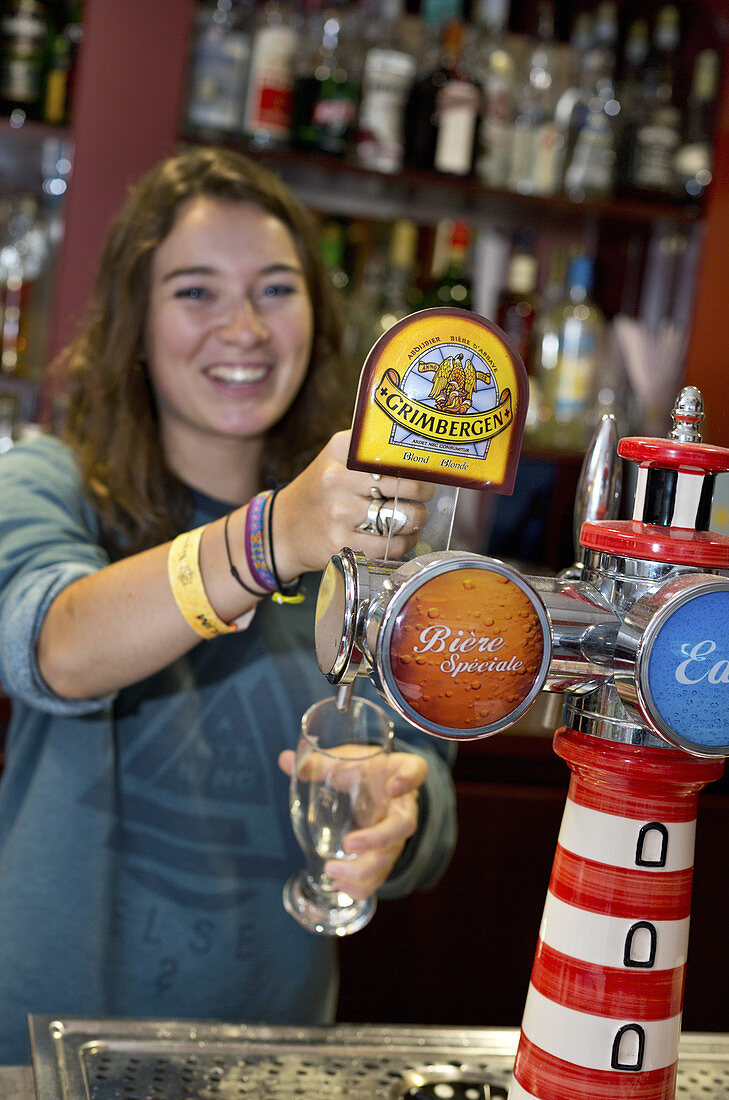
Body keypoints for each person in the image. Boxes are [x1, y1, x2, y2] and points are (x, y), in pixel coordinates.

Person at [0, 147, 457, 1064]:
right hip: (43, 1046)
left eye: (276, 290)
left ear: (316, 320)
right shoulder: (49, 481)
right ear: (134, 323)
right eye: (196, 292)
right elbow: (53, 645)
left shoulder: (369, 533)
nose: (243, 327)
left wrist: (396, 822)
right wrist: (274, 537)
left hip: (275, 1050)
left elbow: (426, 778)